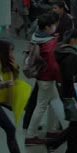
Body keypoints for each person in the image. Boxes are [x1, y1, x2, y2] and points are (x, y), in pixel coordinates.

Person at [46, 30, 77, 153]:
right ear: (72, 40)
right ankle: (55, 144)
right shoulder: (70, 55)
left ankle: (72, 151)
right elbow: (70, 76)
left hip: (66, 90)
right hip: (72, 92)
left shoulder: (61, 51)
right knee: (76, 123)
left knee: (75, 123)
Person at [25, 13, 65, 145]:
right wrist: (60, 77)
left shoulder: (36, 37)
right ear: (48, 27)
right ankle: (31, 135)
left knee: (54, 101)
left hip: (41, 75)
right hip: (48, 77)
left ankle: (51, 129)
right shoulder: (50, 42)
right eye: (53, 25)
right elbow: (53, 64)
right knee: (42, 105)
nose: (55, 27)